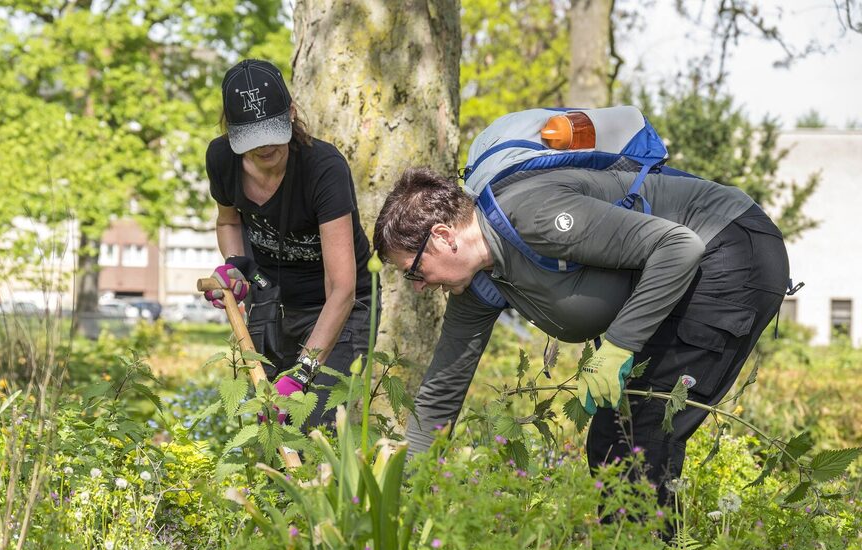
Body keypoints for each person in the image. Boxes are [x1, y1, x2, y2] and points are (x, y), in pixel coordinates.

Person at [373, 165, 790, 510]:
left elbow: (679, 247)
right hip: (693, 274)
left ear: (443, 236)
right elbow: (442, 390)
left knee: (635, 440)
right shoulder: (480, 284)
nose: (418, 287)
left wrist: (619, 346)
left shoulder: (533, 214)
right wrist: (403, 494)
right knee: (619, 441)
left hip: (729, 249)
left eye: (413, 271)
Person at [203, 59, 376, 426]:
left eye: (272, 131)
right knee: (270, 423)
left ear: (291, 112)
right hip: (273, 303)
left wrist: (302, 372)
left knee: (315, 424)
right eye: (253, 137)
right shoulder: (221, 159)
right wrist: (235, 268)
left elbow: (342, 288)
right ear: (232, 132)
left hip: (339, 307)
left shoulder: (323, 168)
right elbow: (228, 220)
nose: (266, 146)